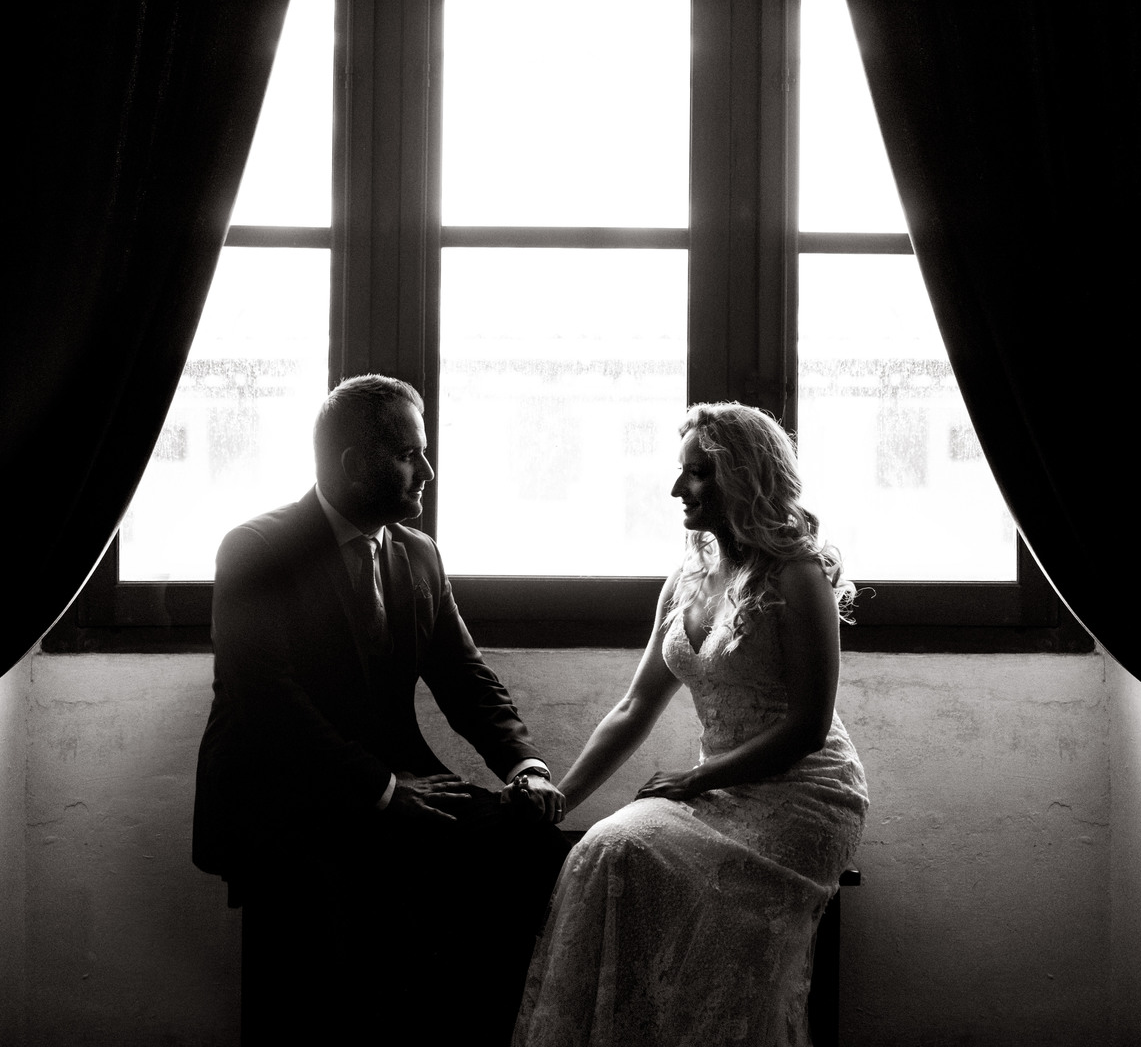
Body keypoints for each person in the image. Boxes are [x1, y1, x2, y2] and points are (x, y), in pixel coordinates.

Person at [192, 374, 569, 1047]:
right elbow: (267, 702)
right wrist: (386, 791)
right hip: (282, 798)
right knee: (339, 950)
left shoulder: (418, 554)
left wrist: (526, 766)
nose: (426, 470)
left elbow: (463, 676)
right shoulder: (256, 549)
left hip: (396, 784)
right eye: (408, 454)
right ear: (352, 463)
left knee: (531, 842)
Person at [512, 402, 869, 1047]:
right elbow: (634, 707)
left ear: (746, 476)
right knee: (604, 847)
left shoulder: (797, 574)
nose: (678, 489)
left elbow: (809, 727)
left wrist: (694, 782)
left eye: (697, 473)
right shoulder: (686, 579)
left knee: (647, 869)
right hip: (720, 791)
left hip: (805, 794)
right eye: (682, 473)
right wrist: (563, 796)